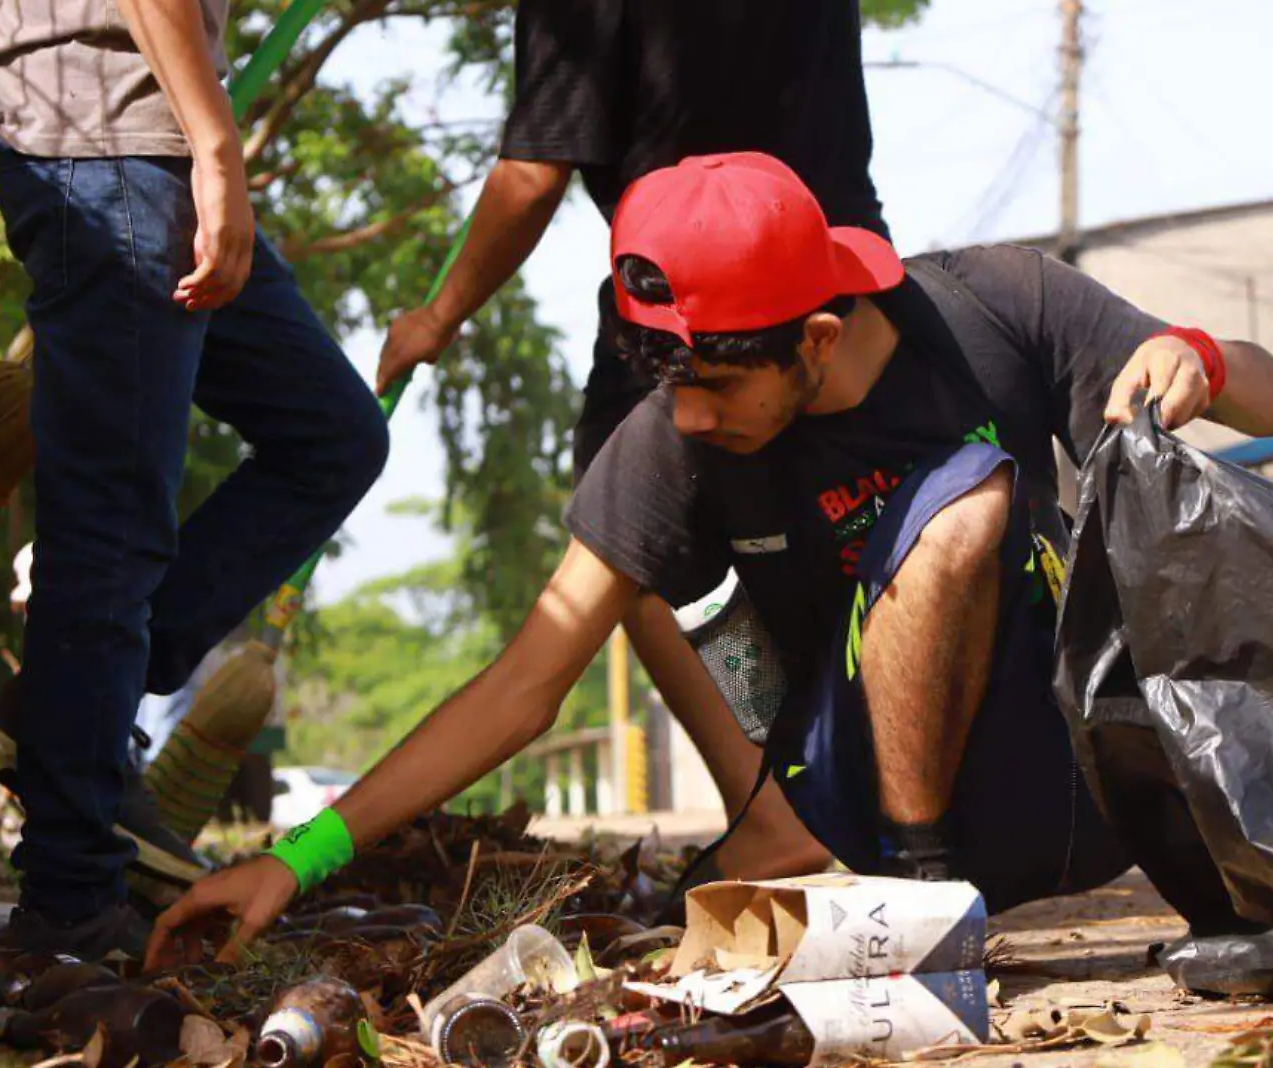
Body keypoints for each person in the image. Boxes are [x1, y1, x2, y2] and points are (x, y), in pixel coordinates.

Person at [147, 152, 1273, 966]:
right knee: (720, 534)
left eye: (716, 386)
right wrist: (296, 860)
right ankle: (905, 902)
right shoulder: (670, 443)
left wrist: (1197, 352)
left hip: (1077, 773)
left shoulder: (998, 309)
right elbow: (523, 679)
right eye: (670, 386)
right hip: (861, 794)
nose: (689, 419)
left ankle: (963, 894)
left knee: (970, 498)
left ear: (814, 339)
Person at [371, 0, 891, 883]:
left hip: (697, 295)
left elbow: (532, 173)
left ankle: (773, 811)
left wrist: (438, 314)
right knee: (868, 512)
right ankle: (881, 798)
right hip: (843, 275)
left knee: (637, 543)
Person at [0, 0, 389, 959]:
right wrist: (218, 147)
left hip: (143, 134)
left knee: (334, 436)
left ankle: (60, 714)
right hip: (103, 133)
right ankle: (67, 905)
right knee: (111, 524)